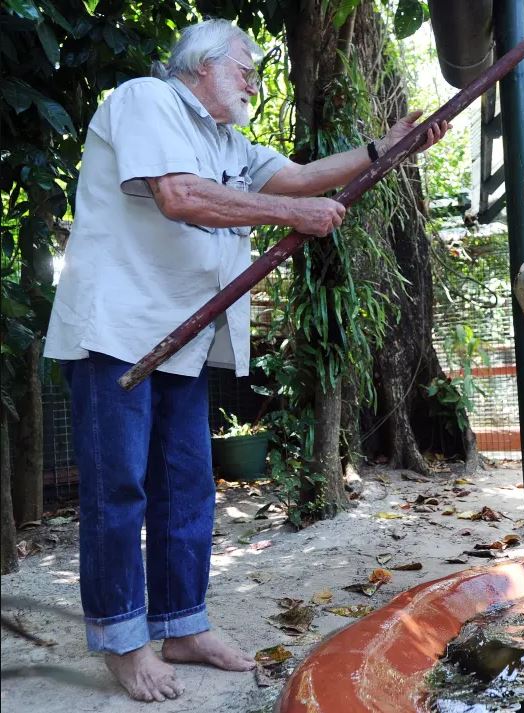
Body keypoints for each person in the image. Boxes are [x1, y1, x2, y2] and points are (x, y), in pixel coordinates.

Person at [42, 19, 447, 702]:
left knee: (187, 485)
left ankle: (181, 623)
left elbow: (299, 177)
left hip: (182, 339)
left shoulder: (225, 140)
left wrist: (388, 148)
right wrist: (292, 217)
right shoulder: (147, 100)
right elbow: (180, 196)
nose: (254, 84)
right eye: (244, 70)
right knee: (120, 489)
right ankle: (122, 638)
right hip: (116, 331)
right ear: (200, 67)